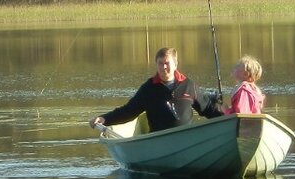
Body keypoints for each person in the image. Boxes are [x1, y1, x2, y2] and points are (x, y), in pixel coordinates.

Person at [90, 46, 222, 132]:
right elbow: (128, 111)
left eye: (167, 63)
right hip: (158, 141)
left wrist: (231, 116)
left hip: (186, 139)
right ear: (156, 65)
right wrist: (105, 119)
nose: (164, 67)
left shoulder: (188, 85)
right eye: (160, 63)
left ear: (175, 64)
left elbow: (208, 109)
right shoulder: (148, 89)